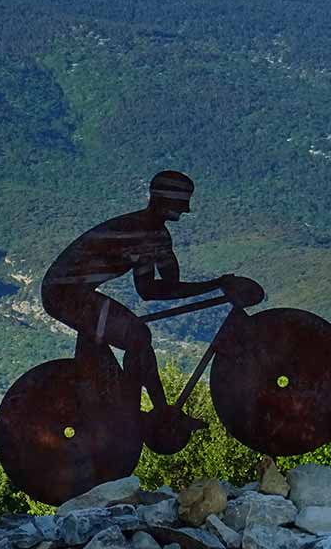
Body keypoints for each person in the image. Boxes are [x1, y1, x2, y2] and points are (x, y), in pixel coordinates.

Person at [41, 170, 260, 433]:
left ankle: (151, 413)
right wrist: (216, 284)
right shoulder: (147, 233)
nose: (184, 211)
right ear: (167, 202)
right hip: (65, 294)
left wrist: (215, 285)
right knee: (137, 336)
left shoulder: (149, 232)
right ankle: (144, 416)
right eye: (180, 204)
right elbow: (158, 289)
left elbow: (153, 288)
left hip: (65, 290)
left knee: (135, 337)